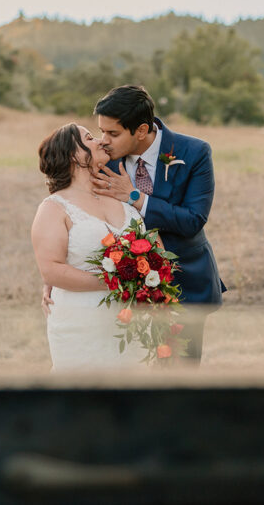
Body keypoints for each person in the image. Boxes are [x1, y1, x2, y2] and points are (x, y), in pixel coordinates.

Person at [88, 85, 225, 363]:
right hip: (121, 287)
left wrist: (136, 198)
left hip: (183, 284)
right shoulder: (103, 160)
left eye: (112, 133)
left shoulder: (194, 152)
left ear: (141, 130)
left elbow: (192, 220)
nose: (104, 141)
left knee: (178, 374)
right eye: (101, 131)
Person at [31, 123, 146, 371]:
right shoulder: (53, 208)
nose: (101, 141)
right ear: (74, 155)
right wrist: (115, 281)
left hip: (133, 324)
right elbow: (50, 270)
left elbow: (150, 245)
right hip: (81, 325)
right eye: (90, 137)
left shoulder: (116, 193)